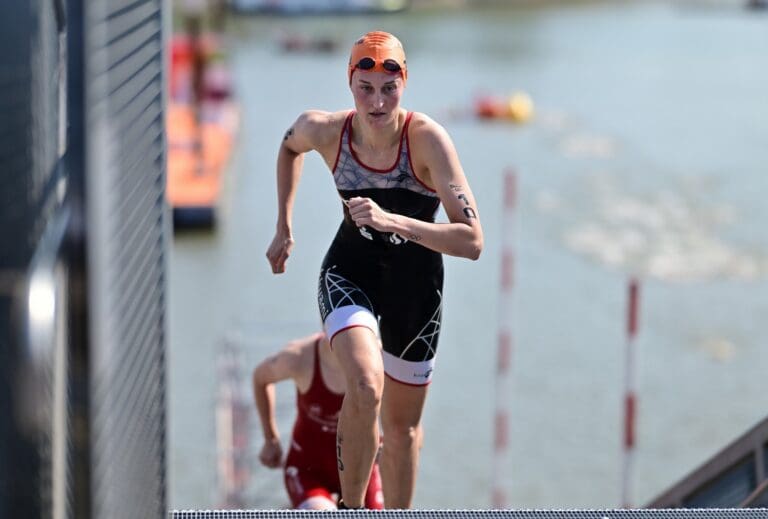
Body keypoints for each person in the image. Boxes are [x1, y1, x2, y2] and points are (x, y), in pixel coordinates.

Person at [265, 30, 483, 509]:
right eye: (366, 89)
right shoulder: (327, 131)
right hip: (351, 270)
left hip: (416, 286)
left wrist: (394, 222)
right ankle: (355, 507)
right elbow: (288, 147)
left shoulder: (425, 140)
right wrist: (283, 224)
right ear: (350, 84)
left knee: (402, 432)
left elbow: (472, 241)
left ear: (405, 83)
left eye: (390, 89)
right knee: (365, 383)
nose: (378, 102)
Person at [252, 332, 384, 510]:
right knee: (321, 514)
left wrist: (392, 445)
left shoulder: (384, 358)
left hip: (362, 470)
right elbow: (260, 377)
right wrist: (270, 439)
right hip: (308, 470)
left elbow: (409, 430)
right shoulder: (299, 356)